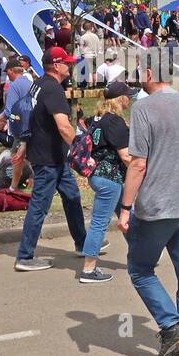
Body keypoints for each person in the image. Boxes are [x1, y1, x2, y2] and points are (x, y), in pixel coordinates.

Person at [118, 65, 179, 356]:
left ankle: (172, 328)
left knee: (140, 268)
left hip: (158, 205)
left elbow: (138, 163)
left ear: (147, 73)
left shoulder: (143, 108)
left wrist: (126, 207)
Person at [14, 47, 87, 271]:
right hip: (47, 158)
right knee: (39, 206)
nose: (70, 66)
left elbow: (31, 118)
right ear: (56, 66)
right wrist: (84, 148)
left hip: (53, 155)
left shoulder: (39, 84)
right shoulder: (53, 89)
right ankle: (25, 256)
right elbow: (64, 126)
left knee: (72, 196)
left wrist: (24, 145)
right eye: (67, 63)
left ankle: (83, 244)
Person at [79, 81, 133, 283]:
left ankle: (143, 253)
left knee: (127, 213)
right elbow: (126, 156)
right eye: (128, 95)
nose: (131, 98)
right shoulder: (114, 121)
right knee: (99, 223)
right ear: (121, 99)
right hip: (109, 178)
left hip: (100, 175)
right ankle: (88, 269)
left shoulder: (98, 119)